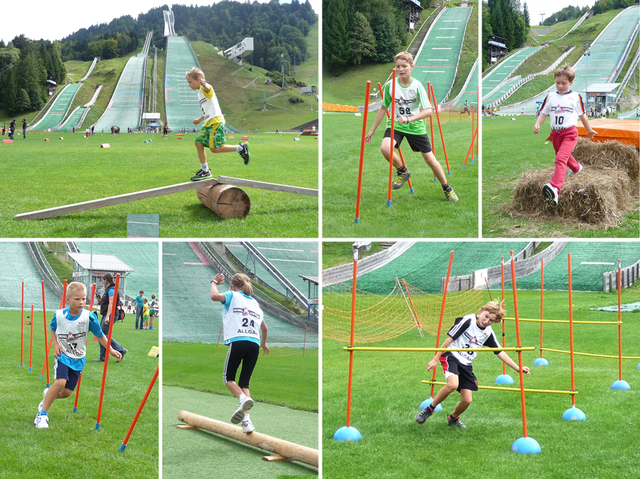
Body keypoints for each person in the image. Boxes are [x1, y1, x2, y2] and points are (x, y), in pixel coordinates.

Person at [414, 301, 529, 429]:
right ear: (481, 311)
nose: (486, 321)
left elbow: (499, 352)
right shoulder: (468, 321)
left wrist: (518, 368)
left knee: (467, 400)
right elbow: (449, 339)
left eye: (491, 320)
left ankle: (453, 418)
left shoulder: (488, 333)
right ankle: (429, 409)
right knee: (452, 384)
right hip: (451, 355)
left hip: (466, 363)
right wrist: (435, 359)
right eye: (486, 316)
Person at [364, 51, 458, 202]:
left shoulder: (417, 86)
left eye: (404, 66)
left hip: (415, 127)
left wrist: (409, 119)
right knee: (385, 148)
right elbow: (383, 108)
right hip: (396, 125)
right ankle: (402, 171)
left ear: (411, 67)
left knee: (430, 159)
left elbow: (428, 111)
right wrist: (372, 130)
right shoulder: (390, 86)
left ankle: (447, 188)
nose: (401, 70)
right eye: (398, 67)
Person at [34, 282, 122, 429]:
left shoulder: (90, 317)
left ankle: (48, 395)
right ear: (68, 300)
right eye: (77, 299)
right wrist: (55, 345)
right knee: (60, 382)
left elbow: (100, 336)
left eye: (84, 299)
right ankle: (42, 415)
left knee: (66, 393)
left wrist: (111, 350)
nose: (81, 302)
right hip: (63, 355)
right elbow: (52, 329)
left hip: (79, 358)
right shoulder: (59, 315)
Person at [210, 273, 269, 434]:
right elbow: (264, 328)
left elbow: (214, 296)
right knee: (244, 383)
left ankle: (243, 399)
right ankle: (247, 422)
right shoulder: (256, 304)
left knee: (228, 379)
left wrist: (214, 282)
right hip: (254, 344)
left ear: (233, 286)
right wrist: (263, 344)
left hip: (238, 341)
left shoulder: (233, 295)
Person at [533, 64, 597, 206]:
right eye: (557, 83)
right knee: (562, 156)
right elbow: (544, 113)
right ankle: (576, 168)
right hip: (555, 134)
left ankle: (555, 189)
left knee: (560, 159)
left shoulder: (575, 97)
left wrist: (589, 129)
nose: (560, 86)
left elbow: (583, 115)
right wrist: (538, 124)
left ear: (571, 83)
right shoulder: (550, 97)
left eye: (564, 83)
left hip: (569, 133)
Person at [186, 67, 250, 181]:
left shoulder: (206, 88)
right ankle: (205, 170)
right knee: (198, 143)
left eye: (190, 82)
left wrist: (204, 84)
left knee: (214, 149)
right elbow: (209, 109)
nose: (189, 85)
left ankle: (241, 148)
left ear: (199, 79)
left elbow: (208, 89)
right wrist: (200, 120)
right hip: (208, 122)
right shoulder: (199, 93)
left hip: (216, 122)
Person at [95, 274, 127, 362]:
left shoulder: (111, 290)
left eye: (103, 280)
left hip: (110, 314)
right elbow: (108, 302)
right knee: (101, 334)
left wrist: (108, 316)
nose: (102, 281)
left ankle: (120, 350)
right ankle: (103, 357)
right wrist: (101, 300)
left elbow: (111, 303)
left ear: (106, 280)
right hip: (106, 314)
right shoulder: (109, 289)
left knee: (103, 335)